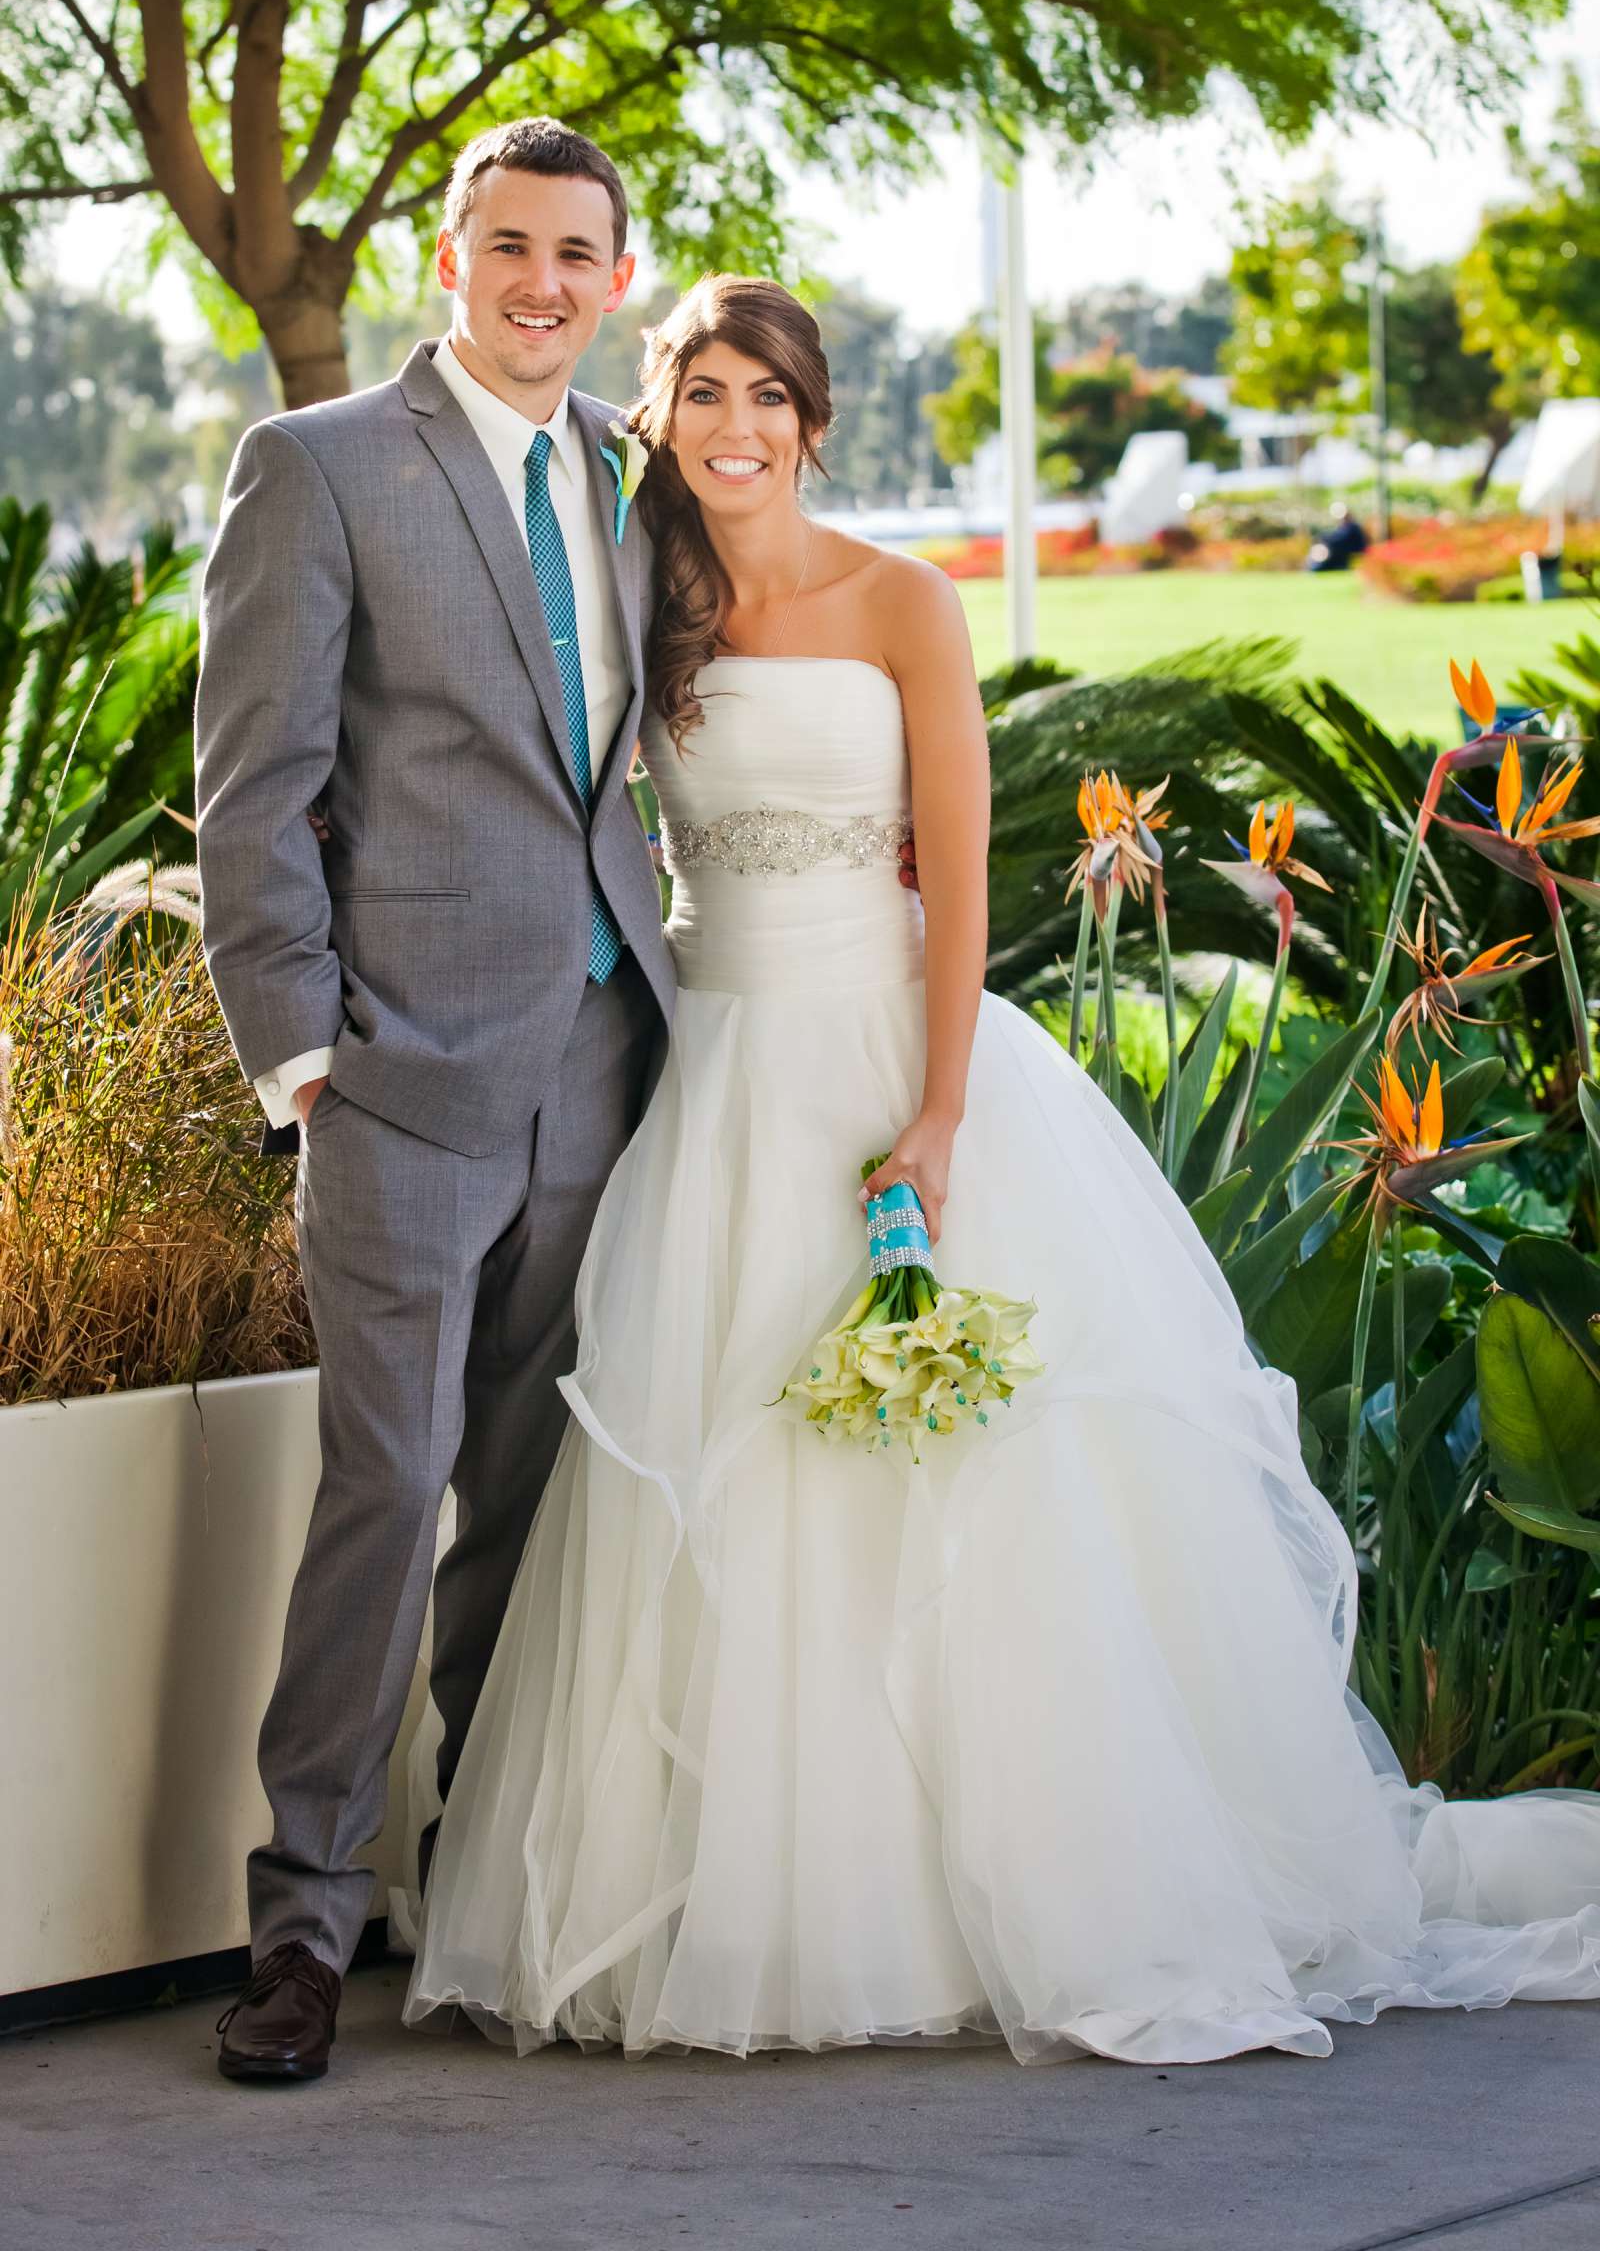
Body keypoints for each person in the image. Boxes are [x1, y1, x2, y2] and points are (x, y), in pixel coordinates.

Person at [404, 275, 1600, 2066]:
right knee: (731, 1466)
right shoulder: (637, 599)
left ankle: (1011, 1891)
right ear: (663, 417)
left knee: (960, 1490)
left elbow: (959, 883)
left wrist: (941, 1117)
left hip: (893, 1061)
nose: (737, 427)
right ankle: (766, 1905)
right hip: (713, 1078)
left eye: (770, 396)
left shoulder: (904, 602)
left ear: (814, 419)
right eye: (705, 394)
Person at [194, 117, 676, 2083]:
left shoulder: (623, 481)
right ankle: (301, 1925)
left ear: (615, 277)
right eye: (507, 245)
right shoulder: (317, 471)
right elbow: (253, 783)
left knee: (527, 1491)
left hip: (602, 1054)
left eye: (577, 252)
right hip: (398, 1072)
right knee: (384, 1490)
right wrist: (299, 1046)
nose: (540, 282)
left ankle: (471, 1894)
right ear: (448, 261)